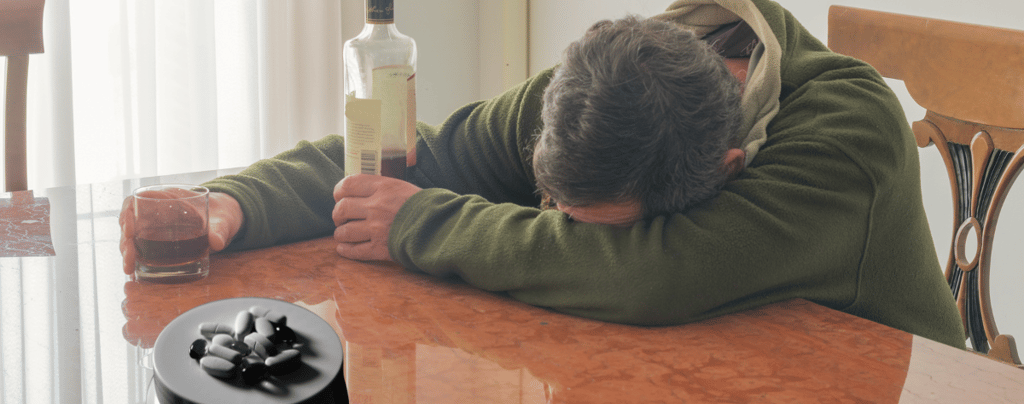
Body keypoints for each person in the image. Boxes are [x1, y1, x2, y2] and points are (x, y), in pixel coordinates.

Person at [120, 0, 967, 349]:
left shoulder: (845, 131)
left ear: (727, 170)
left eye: (573, 226)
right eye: (552, 200)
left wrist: (422, 223)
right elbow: (419, 157)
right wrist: (230, 201)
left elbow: (652, 275)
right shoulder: (602, 89)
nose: (552, 222)